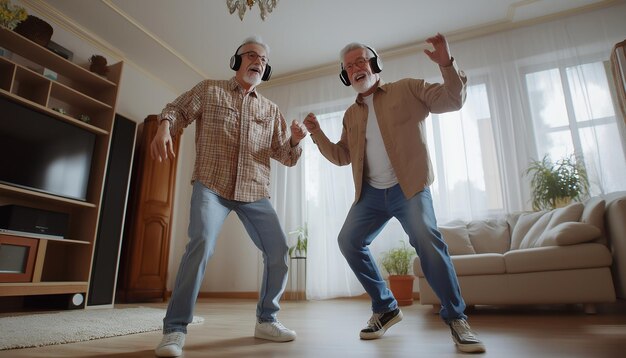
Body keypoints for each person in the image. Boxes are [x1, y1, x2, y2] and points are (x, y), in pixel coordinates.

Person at [303, 33, 485, 353]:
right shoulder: (351, 114)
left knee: (427, 240)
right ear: (345, 76)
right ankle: (385, 307)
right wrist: (316, 134)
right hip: (371, 194)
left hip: (409, 187)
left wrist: (446, 63)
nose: (356, 67)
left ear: (375, 63)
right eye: (349, 66)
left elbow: (452, 100)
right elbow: (342, 156)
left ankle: (457, 319)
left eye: (361, 60)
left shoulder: (408, 88)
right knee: (348, 241)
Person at [151, 35, 308, 357]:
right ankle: (174, 330)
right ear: (236, 62)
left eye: (263, 59)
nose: (258, 61)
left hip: (254, 190)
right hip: (212, 184)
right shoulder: (209, 90)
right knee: (201, 244)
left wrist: (293, 140)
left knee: (278, 251)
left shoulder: (271, 109)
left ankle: (267, 321)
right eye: (251, 55)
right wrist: (164, 126)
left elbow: (286, 156)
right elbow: (176, 109)